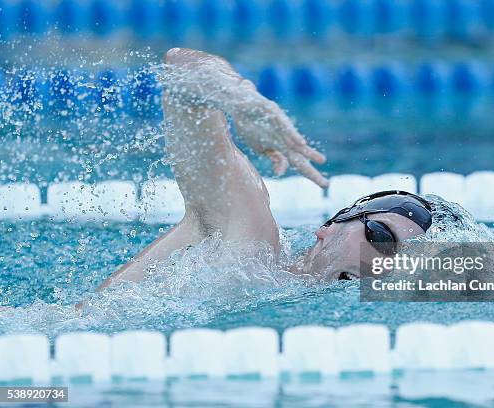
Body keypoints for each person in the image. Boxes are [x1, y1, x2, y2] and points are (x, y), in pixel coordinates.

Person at [97, 48, 433, 290]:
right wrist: (240, 101)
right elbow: (181, 67)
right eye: (382, 238)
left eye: (406, 264)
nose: (386, 266)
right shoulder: (247, 241)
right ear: (329, 227)